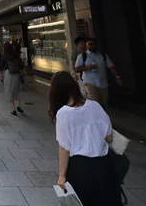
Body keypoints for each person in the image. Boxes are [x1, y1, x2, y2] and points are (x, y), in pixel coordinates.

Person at [49, 71, 121, 206]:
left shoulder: (64, 113)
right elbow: (109, 137)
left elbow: (64, 147)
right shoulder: (95, 106)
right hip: (103, 165)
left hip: (81, 168)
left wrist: (62, 175)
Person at [75, 38, 122, 110]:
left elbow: (111, 66)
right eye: (90, 44)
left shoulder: (103, 56)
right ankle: (97, 117)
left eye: (94, 44)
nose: (92, 45)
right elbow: (77, 68)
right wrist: (88, 67)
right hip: (90, 81)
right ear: (86, 46)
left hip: (103, 82)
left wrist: (117, 77)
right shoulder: (82, 56)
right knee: (95, 101)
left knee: (104, 102)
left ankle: (103, 115)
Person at [3, 42, 24, 116]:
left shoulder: (4, 56)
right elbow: (21, 64)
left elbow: (2, 64)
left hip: (8, 73)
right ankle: (18, 105)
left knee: (9, 90)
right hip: (16, 73)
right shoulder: (16, 55)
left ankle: (13, 109)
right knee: (17, 89)